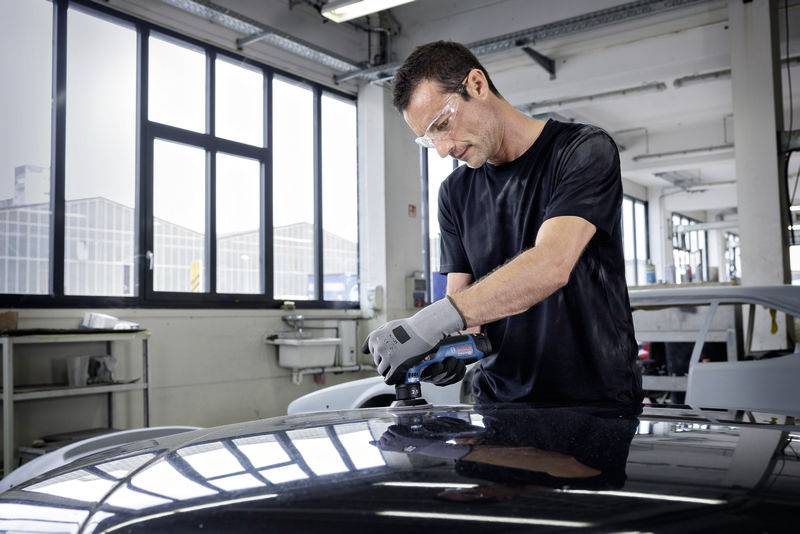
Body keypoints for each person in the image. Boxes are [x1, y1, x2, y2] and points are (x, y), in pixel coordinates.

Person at [362, 41, 642, 405]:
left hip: (594, 400)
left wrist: (428, 323)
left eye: (442, 125)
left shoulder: (582, 150)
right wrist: (445, 348)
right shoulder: (454, 192)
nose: (443, 149)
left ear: (477, 85)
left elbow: (551, 264)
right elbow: (461, 304)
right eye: (430, 140)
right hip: (499, 402)